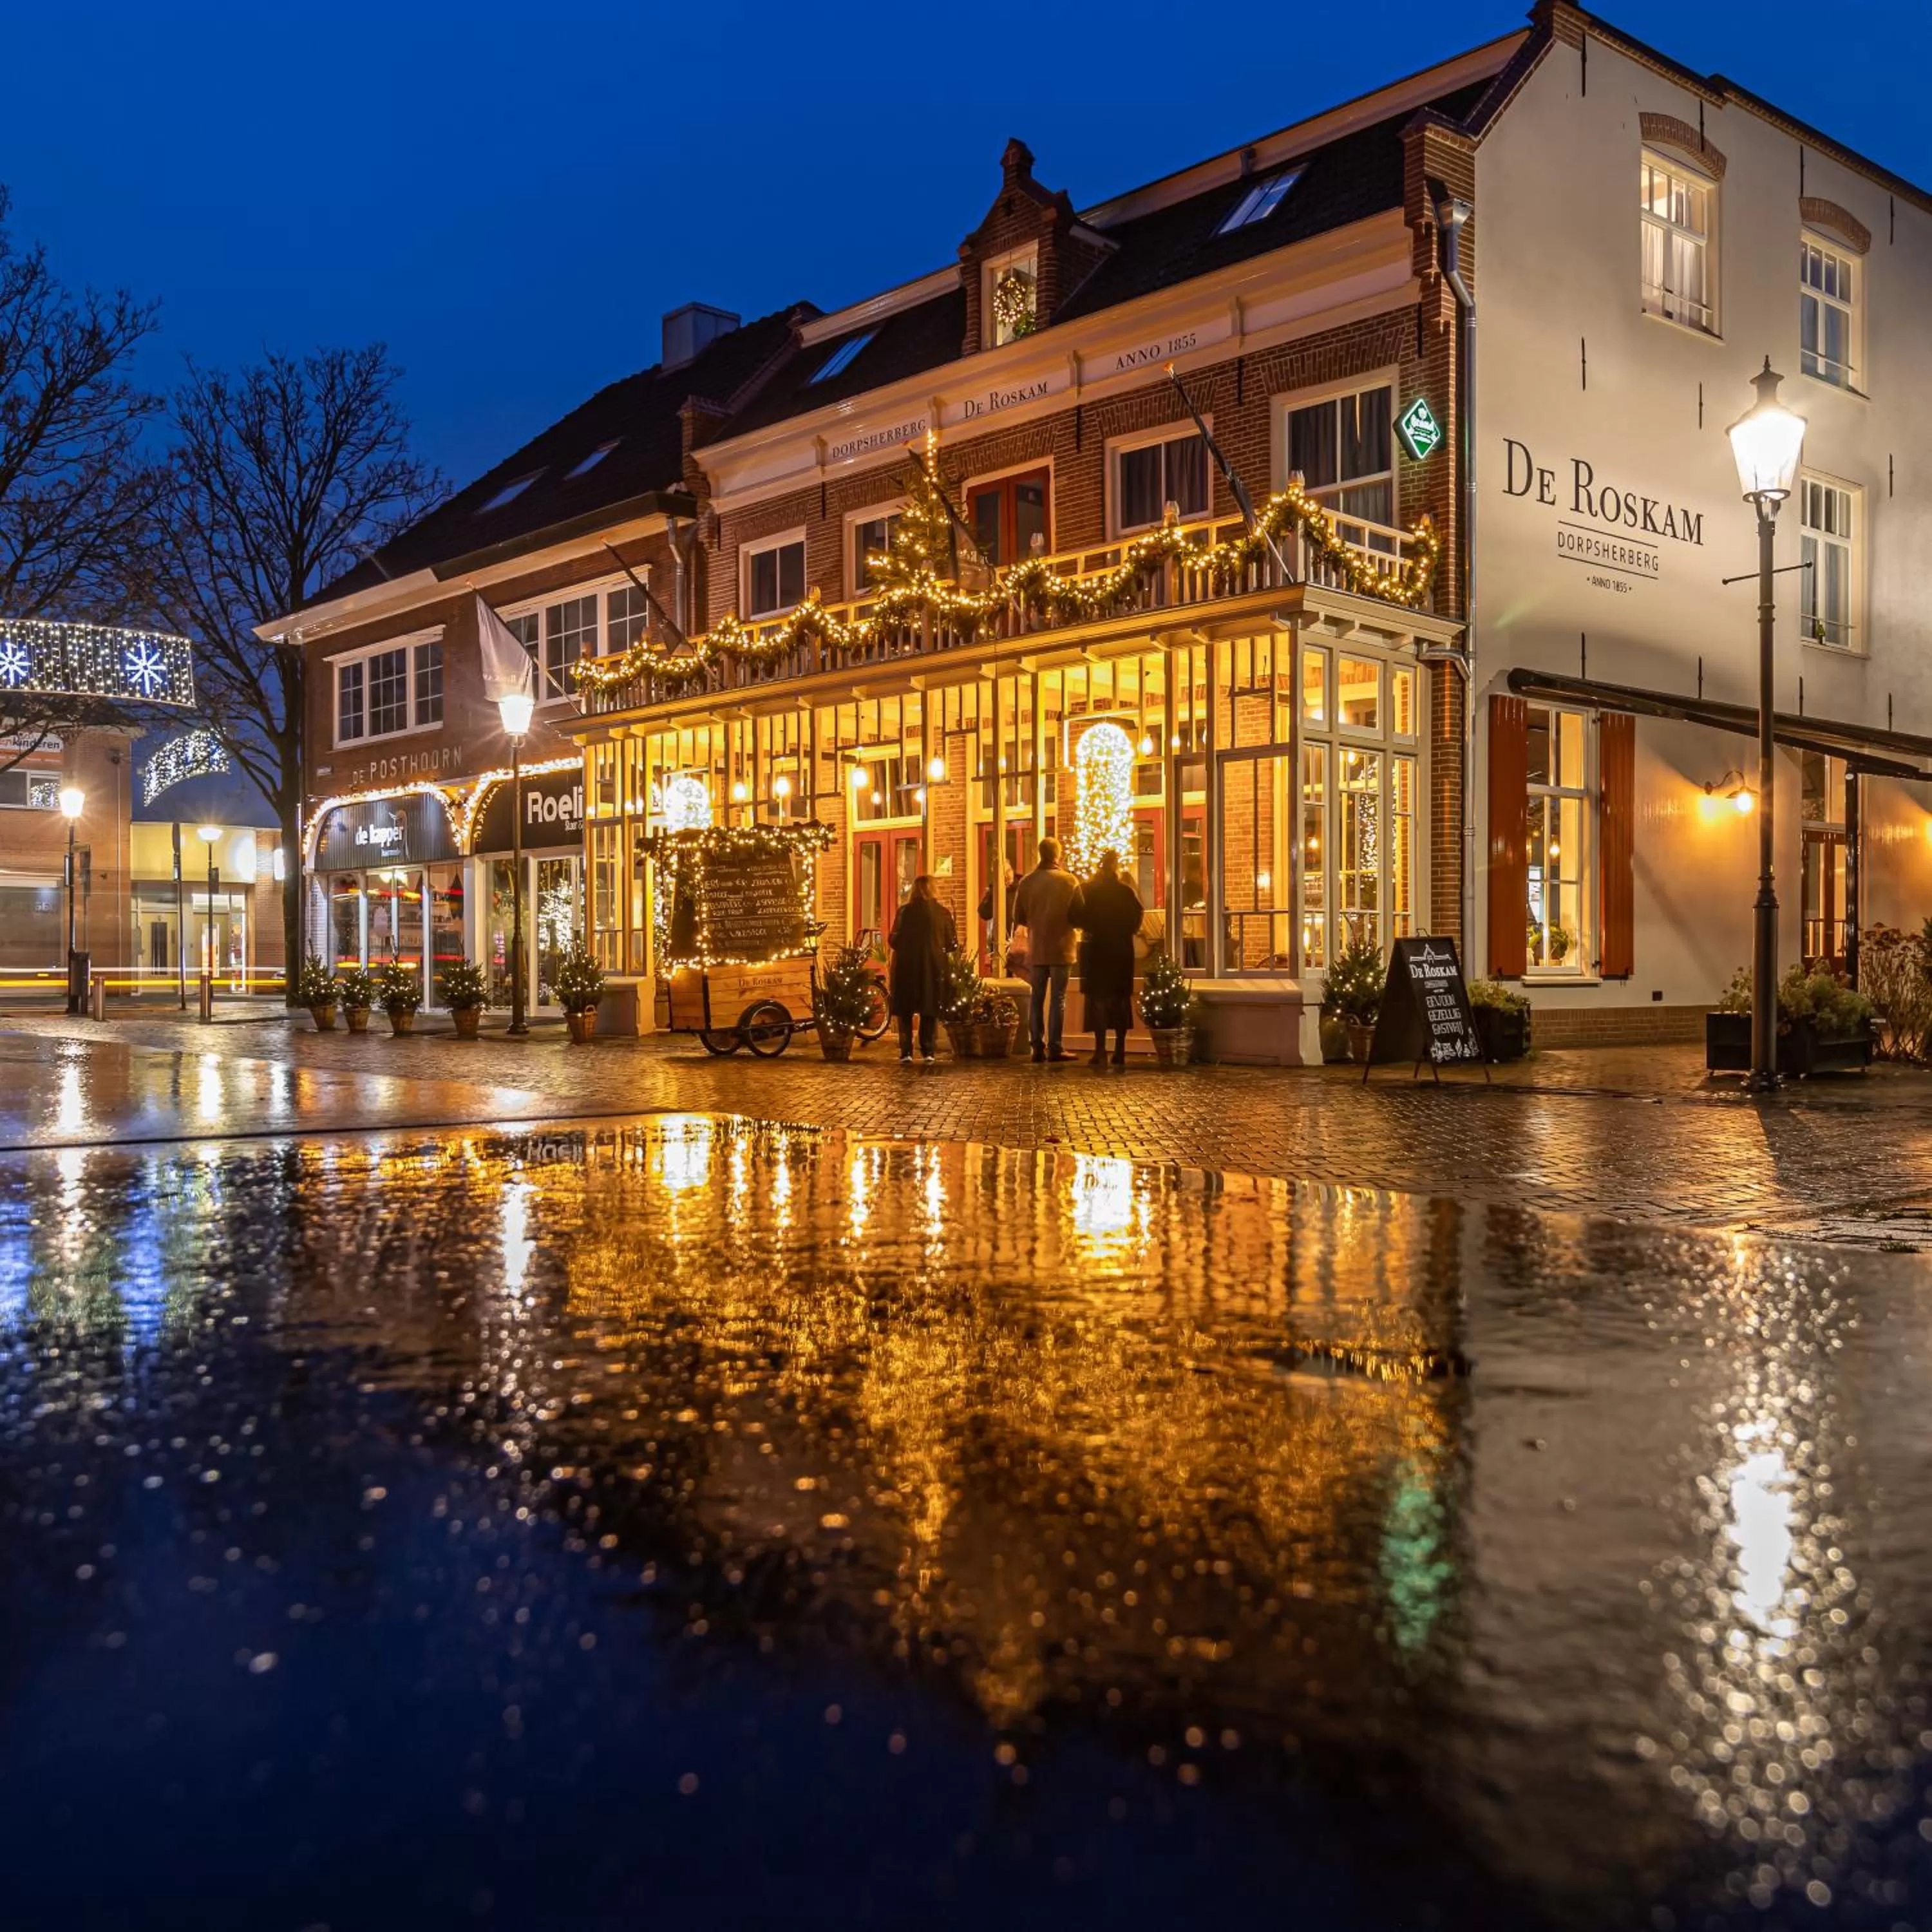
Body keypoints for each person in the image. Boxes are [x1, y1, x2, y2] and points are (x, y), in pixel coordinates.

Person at [1011, 836, 1083, 1063]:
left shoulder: (1027, 882)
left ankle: (1037, 1046)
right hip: (1062, 947)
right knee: (1058, 998)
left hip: (1038, 947)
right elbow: (1079, 915)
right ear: (1057, 855)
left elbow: (1018, 916)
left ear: (1040, 854)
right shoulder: (1069, 881)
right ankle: (1055, 1046)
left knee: (1037, 998)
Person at [1075, 848, 1144, 1067]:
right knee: (1120, 1000)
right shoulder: (1126, 893)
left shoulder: (1089, 892)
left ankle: (1100, 1050)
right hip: (1121, 952)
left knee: (1098, 1001)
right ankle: (1120, 1050)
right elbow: (1136, 918)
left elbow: (1077, 917)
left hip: (1097, 952)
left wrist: (1091, 928)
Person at [887, 874, 956, 1065]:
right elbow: (952, 944)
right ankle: (928, 1050)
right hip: (933, 966)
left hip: (907, 966)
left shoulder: (904, 912)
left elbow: (893, 939)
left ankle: (906, 1051)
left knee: (906, 1009)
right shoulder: (943, 913)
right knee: (929, 1007)